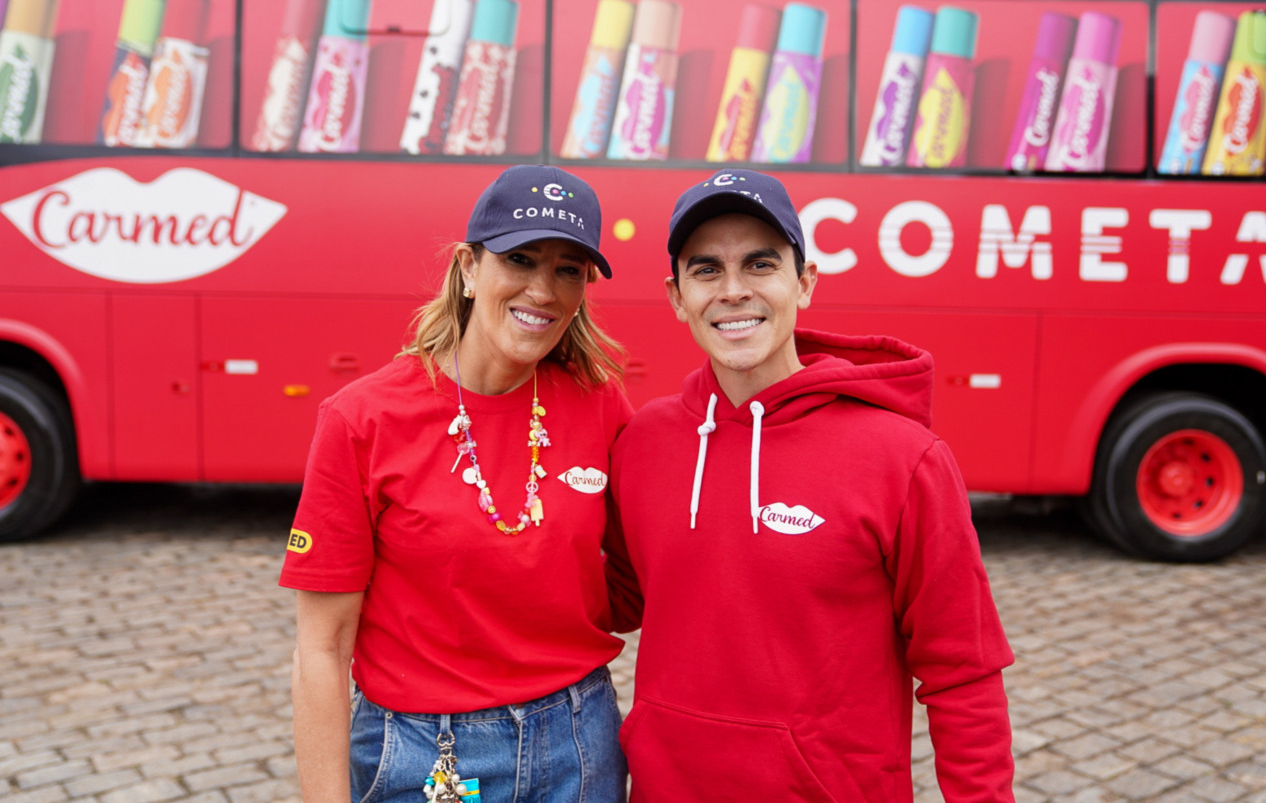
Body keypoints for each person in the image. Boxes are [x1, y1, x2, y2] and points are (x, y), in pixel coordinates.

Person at [607, 169, 1016, 802]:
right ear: (676, 295)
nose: (734, 291)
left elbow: (962, 671)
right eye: (707, 269)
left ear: (804, 283)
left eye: (760, 265)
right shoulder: (644, 443)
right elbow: (608, 600)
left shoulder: (905, 458)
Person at [280, 164, 632, 803]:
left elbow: (645, 569)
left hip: (580, 741)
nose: (543, 290)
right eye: (519, 259)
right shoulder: (363, 419)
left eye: (568, 270)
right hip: (425, 756)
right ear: (469, 268)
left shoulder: (599, 404)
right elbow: (322, 647)